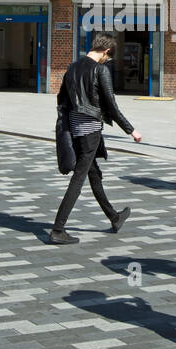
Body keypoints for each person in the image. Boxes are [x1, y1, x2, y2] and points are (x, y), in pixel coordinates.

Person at [51, 32, 143, 245]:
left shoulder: (72, 67)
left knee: (93, 173)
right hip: (91, 129)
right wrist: (131, 130)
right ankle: (57, 229)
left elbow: (61, 98)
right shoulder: (100, 69)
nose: (107, 61)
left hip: (75, 127)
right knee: (79, 178)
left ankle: (114, 217)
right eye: (109, 58)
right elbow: (111, 104)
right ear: (107, 51)